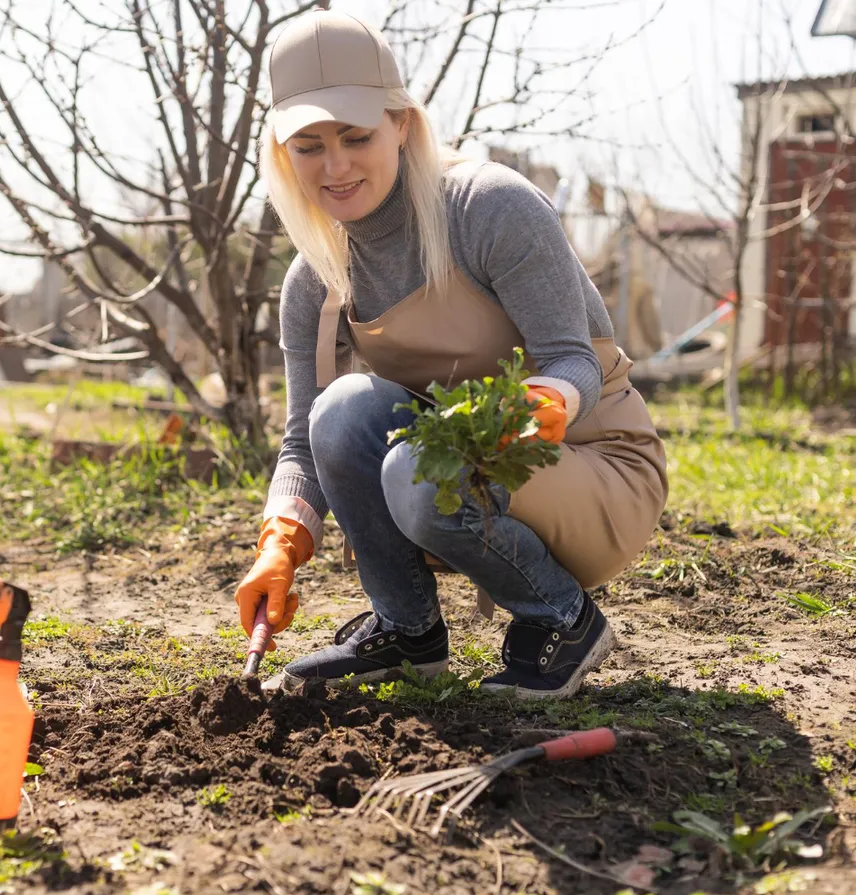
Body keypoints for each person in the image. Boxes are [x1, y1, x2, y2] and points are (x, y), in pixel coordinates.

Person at [233, 9, 668, 700]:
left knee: (417, 467)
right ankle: (408, 632)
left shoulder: (488, 208)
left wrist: (550, 398)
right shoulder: (316, 276)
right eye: (310, 145)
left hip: (592, 468)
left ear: (402, 124)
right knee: (341, 413)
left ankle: (561, 617)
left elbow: (574, 358)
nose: (336, 165)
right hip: (456, 476)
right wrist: (281, 541)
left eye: (355, 136)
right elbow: (303, 439)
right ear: (284, 153)